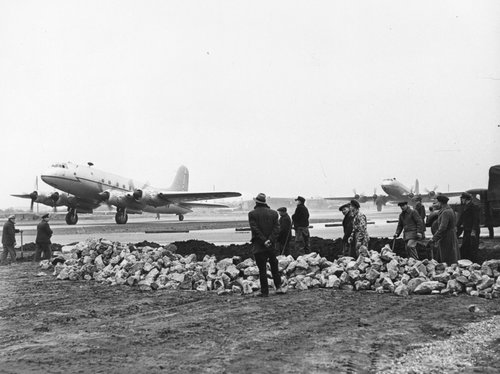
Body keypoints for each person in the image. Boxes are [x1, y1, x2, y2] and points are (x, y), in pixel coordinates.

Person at [248, 193, 285, 297]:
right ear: (265, 202)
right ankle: (278, 287)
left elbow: (255, 229)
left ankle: (264, 291)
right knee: (274, 266)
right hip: (271, 245)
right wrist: (270, 240)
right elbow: (277, 229)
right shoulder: (274, 213)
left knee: (262, 269)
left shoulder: (252, 214)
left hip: (259, 245)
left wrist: (264, 240)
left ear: (256, 202)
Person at [429, 195, 460, 265]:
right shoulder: (450, 210)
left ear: (440, 203)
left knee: (447, 258)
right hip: (450, 236)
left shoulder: (445, 212)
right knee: (451, 256)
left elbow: (442, 227)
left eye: (437, 203)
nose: (436, 205)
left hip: (446, 237)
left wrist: (434, 238)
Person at [456, 192, 480, 263]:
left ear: (465, 199)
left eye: (462, 199)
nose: (461, 200)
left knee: (473, 248)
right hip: (467, 230)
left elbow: (476, 220)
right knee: (465, 247)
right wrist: (457, 226)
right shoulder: (466, 206)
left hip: (472, 230)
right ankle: (466, 262)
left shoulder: (474, 207)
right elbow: (462, 218)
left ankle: (474, 263)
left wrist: (473, 230)